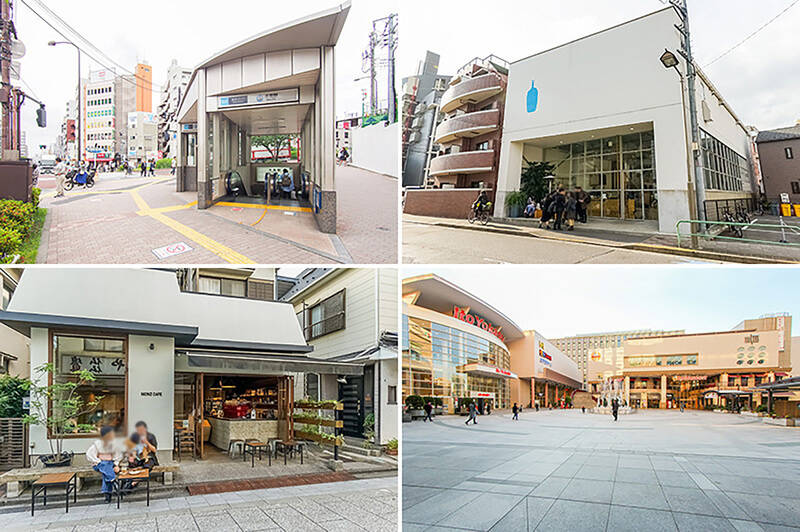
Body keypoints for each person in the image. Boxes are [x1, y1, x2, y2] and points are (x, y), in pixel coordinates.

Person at [86, 426, 122, 503]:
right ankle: (113, 479)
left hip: (110, 463)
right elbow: (89, 454)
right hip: (98, 464)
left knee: (106, 473)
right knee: (105, 465)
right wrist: (98, 461)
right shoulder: (97, 444)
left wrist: (116, 464)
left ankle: (108, 495)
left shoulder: (113, 444)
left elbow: (118, 455)